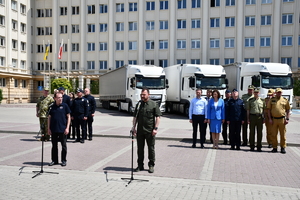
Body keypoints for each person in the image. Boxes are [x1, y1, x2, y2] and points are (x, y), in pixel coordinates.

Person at [132, 88, 161, 173]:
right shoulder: (139, 104)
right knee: (140, 149)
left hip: (150, 131)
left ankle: (151, 165)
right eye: (141, 94)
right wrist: (134, 128)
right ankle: (140, 165)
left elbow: (158, 117)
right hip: (140, 130)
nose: (142, 96)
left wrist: (155, 128)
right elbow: (135, 117)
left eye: (144, 94)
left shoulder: (153, 104)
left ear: (149, 94)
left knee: (151, 149)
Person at [48, 92, 71, 167]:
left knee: (63, 146)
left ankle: (63, 160)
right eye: (58, 97)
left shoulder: (65, 106)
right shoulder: (52, 107)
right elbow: (49, 118)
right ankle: (54, 160)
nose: (60, 99)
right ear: (55, 98)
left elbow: (68, 117)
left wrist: (67, 128)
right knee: (54, 146)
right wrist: (48, 128)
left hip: (63, 129)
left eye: (61, 97)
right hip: (54, 129)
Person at [267, 88, 290, 154]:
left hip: (282, 120)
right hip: (274, 119)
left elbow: (288, 110)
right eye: (277, 92)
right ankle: (274, 147)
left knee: (282, 134)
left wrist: (287, 118)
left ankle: (283, 147)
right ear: (275, 93)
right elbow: (268, 109)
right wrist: (270, 119)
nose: (279, 93)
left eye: (280, 92)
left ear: (281, 93)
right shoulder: (272, 100)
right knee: (274, 134)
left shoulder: (285, 100)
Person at [247, 88, 265, 152]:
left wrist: (264, 118)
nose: (256, 94)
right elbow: (248, 110)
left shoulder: (262, 101)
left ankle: (259, 146)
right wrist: (248, 119)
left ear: (259, 93)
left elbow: (264, 110)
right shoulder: (250, 100)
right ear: (253, 93)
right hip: (252, 117)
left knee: (259, 133)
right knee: (252, 132)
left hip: (260, 118)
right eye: (255, 92)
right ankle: (252, 146)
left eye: (257, 92)